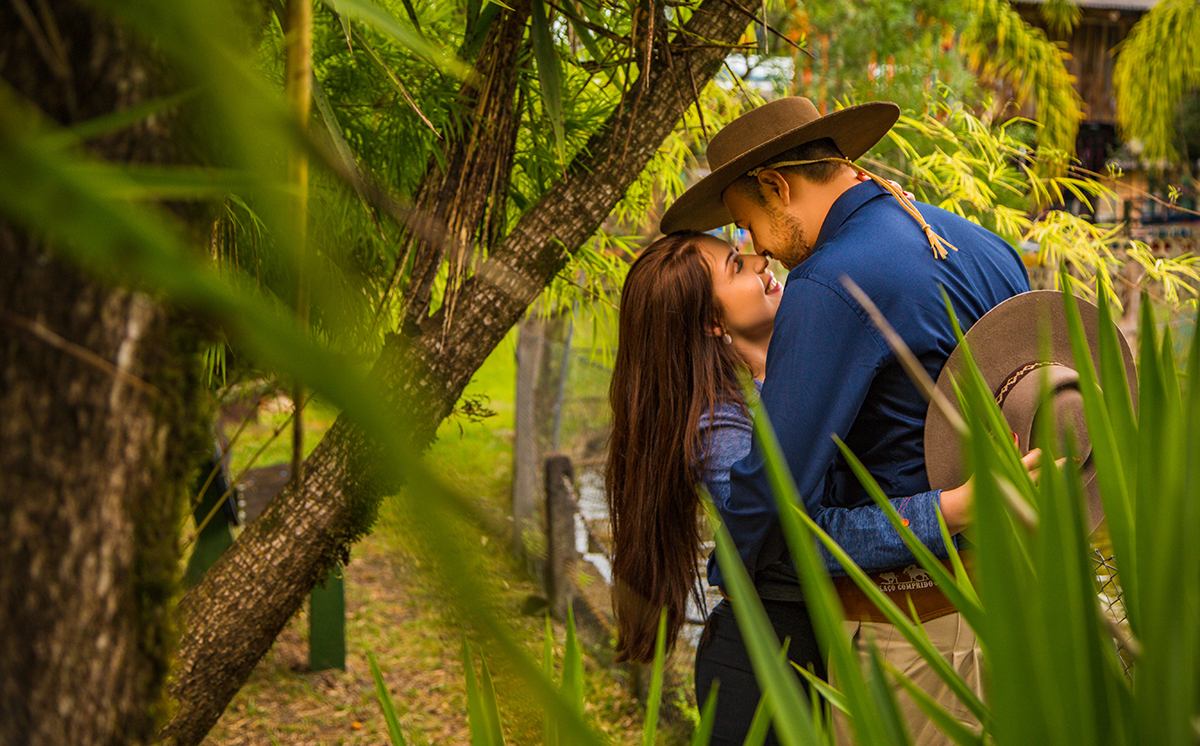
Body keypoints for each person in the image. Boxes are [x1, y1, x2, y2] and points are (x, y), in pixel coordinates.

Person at [658, 97, 1032, 743]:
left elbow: (775, 495)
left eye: (746, 224)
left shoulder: (831, 281)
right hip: (1026, 594)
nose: (759, 249)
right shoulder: (980, 243)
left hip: (921, 623)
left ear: (776, 185)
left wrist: (734, 571)